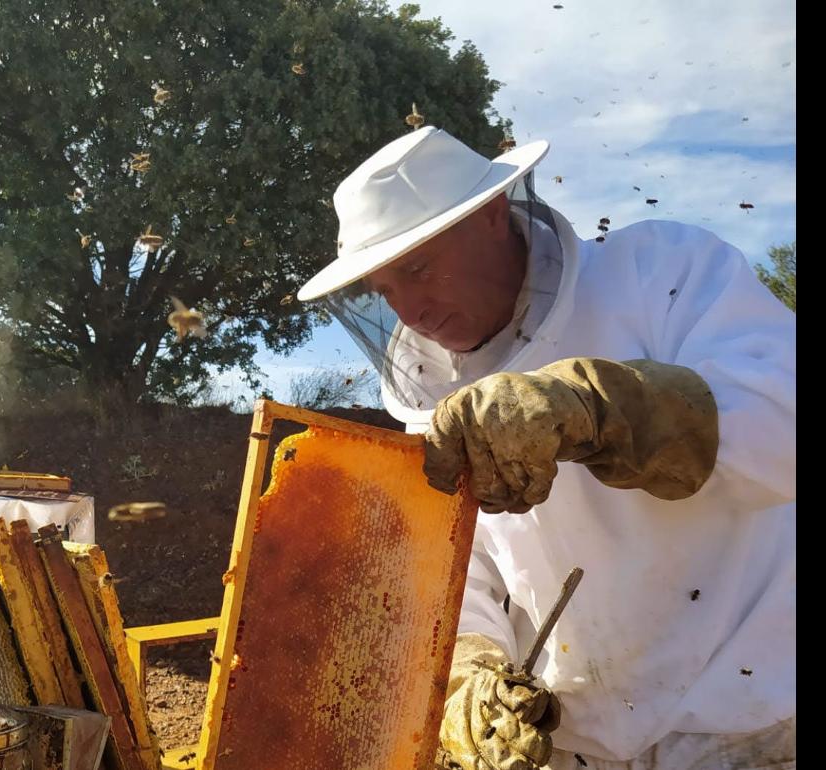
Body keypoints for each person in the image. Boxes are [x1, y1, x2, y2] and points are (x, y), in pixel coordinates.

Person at [296, 127, 796, 769]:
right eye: (385, 291)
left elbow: (782, 423)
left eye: (418, 269)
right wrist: (470, 671)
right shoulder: (434, 400)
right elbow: (462, 566)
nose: (409, 311)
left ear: (490, 214)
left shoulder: (662, 272)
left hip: (748, 719)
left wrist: (599, 407)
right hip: (572, 742)